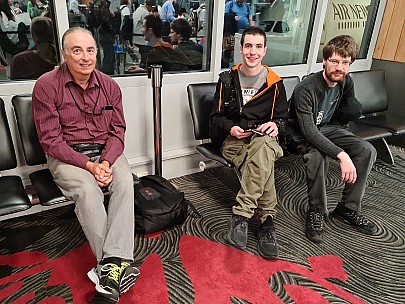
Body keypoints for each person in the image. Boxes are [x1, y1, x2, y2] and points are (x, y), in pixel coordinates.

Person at [32, 27, 139, 302]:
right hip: (67, 156)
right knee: (88, 190)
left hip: (105, 152)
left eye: (90, 50)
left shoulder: (110, 86)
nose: (85, 57)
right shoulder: (46, 85)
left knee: (125, 181)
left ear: (97, 53)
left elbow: (118, 131)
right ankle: (114, 267)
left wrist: (105, 161)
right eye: (77, 51)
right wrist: (90, 167)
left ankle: (107, 269)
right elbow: (51, 141)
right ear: (65, 55)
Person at [288, 35, 378, 243]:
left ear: (350, 64)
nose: (339, 67)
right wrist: (342, 155)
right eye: (335, 61)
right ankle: (316, 210)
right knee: (318, 157)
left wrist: (343, 138)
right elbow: (309, 131)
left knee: (367, 150)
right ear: (325, 61)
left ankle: (348, 207)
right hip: (298, 133)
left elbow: (346, 111)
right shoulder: (306, 89)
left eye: (345, 63)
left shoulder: (346, 81)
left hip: (328, 128)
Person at [209, 26, 289, 259]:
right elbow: (215, 118)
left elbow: (283, 120)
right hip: (235, 141)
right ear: (241, 49)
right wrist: (230, 128)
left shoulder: (275, 84)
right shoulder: (226, 80)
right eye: (248, 46)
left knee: (263, 147)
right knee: (263, 162)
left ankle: (241, 214)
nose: (252, 52)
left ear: (264, 51)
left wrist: (276, 125)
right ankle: (266, 222)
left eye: (258, 47)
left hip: (264, 139)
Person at [132, 0, 155, 67]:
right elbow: (149, 25)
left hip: (136, 37)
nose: (153, 8)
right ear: (148, 5)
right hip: (142, 39)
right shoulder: (145, 13)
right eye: (152, 7)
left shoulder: (138, 9)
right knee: (145, 59)